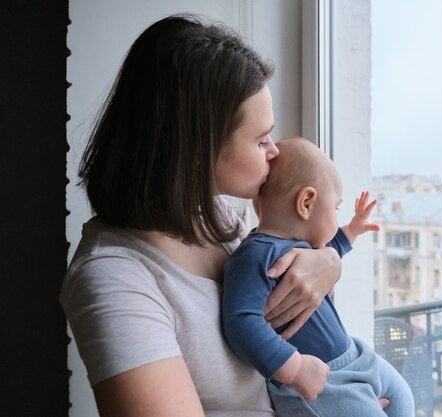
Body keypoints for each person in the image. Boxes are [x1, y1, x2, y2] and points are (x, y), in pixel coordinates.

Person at [60, 15, 345, 417]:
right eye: (261, 139)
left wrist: (328, 262)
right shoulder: (114, 279)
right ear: (196, 149)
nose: (275, 151)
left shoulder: (218, 216)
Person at [222, 137, 415, 417]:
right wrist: (295, 368)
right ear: (307, 202)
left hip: (354, 354)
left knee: (402, 397)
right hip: (320, 380)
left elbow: (332, 247)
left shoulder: (303, 247)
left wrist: (352, 230)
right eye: (336, 208)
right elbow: (241, 321)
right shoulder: (254, 256)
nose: (337, 217)